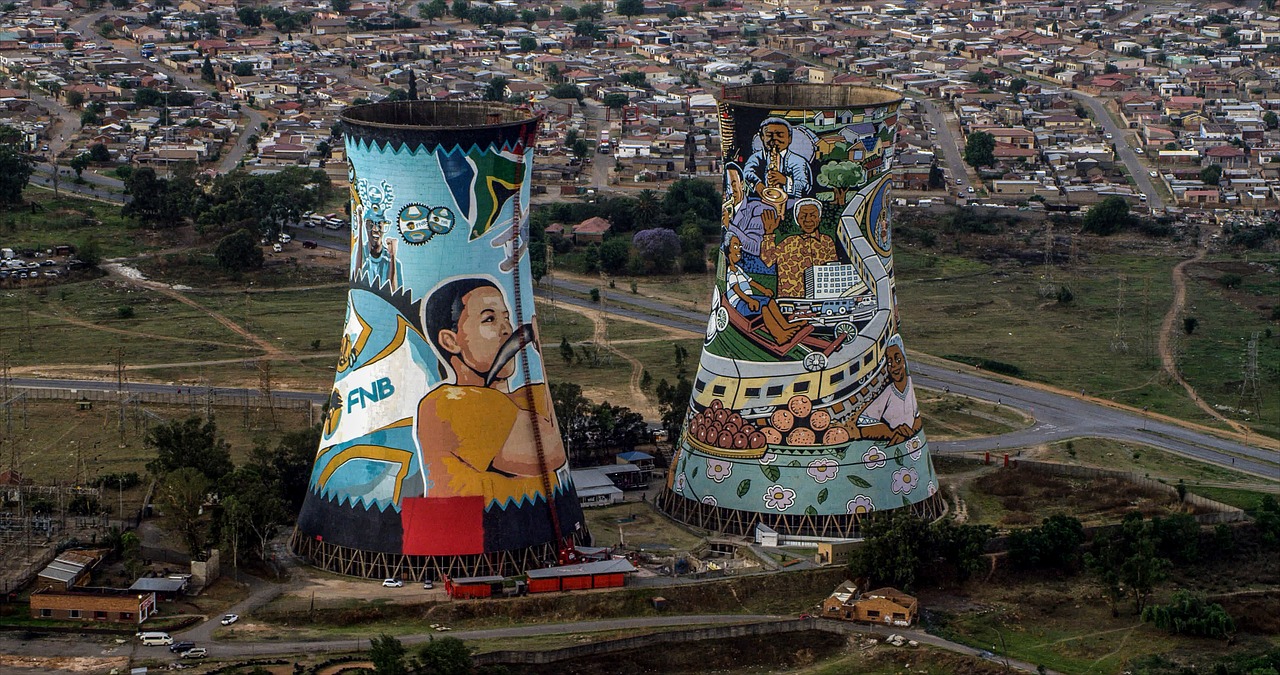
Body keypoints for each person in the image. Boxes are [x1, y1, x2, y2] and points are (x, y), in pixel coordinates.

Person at [406, 278, 572, 555]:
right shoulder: (450, 403)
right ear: (450, 341)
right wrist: (539, 358)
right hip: (468, 543)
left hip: (526, 543)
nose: (508, 330)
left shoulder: (522, 397)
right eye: (489, 320)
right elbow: (549, 454)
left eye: (507, 318)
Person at [724, 234, 802, 345]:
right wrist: (749, 301)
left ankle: (786, 326)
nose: (739, 251)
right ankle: (779, 335)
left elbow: (751, 282)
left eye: (740, 248)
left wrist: (764, 290)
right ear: (728, 250)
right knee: (764, 308)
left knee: (770, 301)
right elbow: (737, 290)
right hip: (740, 304)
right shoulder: (731, 272)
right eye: (735, 247)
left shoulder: (738, 269)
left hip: (748, 298)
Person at [760, 198, 839, 298]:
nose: (808, 219)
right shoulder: (788, 242)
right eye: (803, 216)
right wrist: (769, 233)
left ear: (819, 218)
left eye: (813, 215)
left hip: (823, 299)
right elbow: (768, 260)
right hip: (792, 299)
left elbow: (834, 270)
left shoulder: (827, 242)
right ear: (797, 219)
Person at [855, 337, 923, 445]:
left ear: (904, 359)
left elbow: (917, 418)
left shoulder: (909, 385)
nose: (894, 366)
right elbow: (863, 423)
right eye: (890, 362)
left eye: (898, 359)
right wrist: (891, 434)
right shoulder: (888, 393)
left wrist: (909, 433)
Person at [742, 118, 812, 199]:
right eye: (769, 135)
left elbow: (804, 186)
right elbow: (747, 172)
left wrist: (785, 181)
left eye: (780, 135)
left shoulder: (798, 161)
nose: (774, 139)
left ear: (789, 139)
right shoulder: (756, 157)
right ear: (762, 137)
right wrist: (758, 185)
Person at [359, 218, 401, 289]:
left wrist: (392, 256)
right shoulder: (360, 257)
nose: (375, 229)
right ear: (366, 226)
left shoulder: (394, 262)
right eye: (371, 225)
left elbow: (394, 295)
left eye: (379, 225)